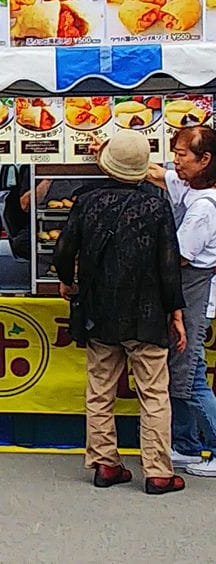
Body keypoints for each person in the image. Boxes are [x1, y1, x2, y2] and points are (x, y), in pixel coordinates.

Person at [52, 129, 186, 495]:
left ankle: (105, 464)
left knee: (100, 388)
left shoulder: (88, 202)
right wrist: (175, 312)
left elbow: (64, 250)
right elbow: (168, 263)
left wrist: (67, 280)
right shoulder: (157, 205)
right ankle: (158, 471)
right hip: (147, 312)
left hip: (99, 310)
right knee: (154, 392)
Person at [141, 125, 216, 476]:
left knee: (192, 373)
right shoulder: (190, 186)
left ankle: (213, 444)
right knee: (179, 370)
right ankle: (185, 445)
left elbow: (180, 256)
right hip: (183, 287)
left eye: (183, 155)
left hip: (191, 287)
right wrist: (108, 149)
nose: (176, 162)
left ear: (205, 160)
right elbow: (157, 175)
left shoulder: (205, 206)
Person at [1, 165, 51, 260]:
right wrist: (48, 178)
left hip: (76, 225)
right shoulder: (32, 169)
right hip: (40, 227)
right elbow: (26, 205)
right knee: (20, 244)